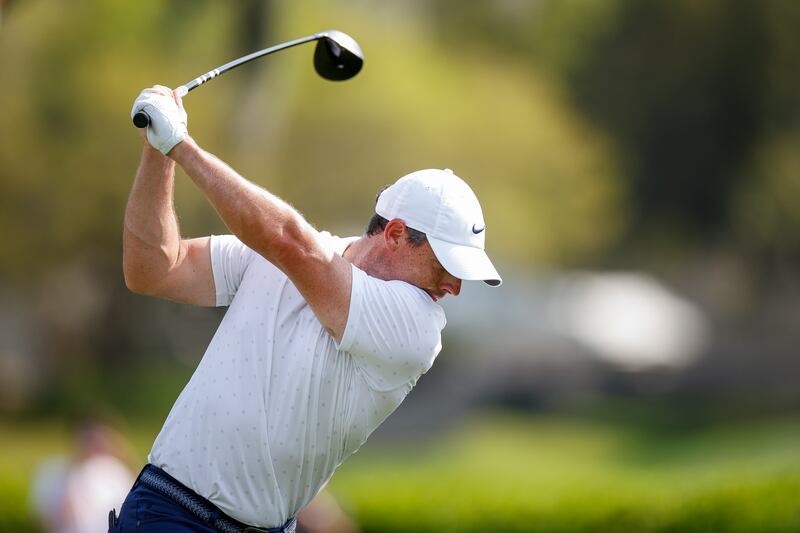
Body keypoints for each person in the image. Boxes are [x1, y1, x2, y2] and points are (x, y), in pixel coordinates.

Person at [114, 85, 502, 532]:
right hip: (170, 512)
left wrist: (182, 146)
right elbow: (153, 269)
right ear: (395, 234)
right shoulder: (286, 254)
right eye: (445, 265)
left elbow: (289, 243)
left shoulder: (418, 329)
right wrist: (157, 152)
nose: (454, 287)